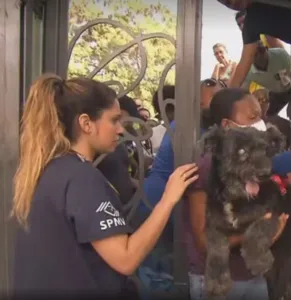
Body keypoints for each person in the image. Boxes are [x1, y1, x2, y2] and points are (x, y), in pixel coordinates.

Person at [12, 74, 198, 297]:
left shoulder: (49, 169)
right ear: (86, 124)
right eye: (113, 120)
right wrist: (168, 199)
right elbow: (126, 259)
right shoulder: (81, 178)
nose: (121, 129)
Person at [186, 88, 291, 300]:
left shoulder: (256, 166)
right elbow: (204, 242)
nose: (260, 124)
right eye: (252, 117)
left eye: (261, 117)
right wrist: (260, 235)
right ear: (227, 125)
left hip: (251, 275)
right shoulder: (206, 170)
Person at [220, 0, 291, 133]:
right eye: (227, 3)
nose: (233, 3)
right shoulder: (251, 23)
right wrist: (224, 102)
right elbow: (244, 63)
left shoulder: (278, 53)